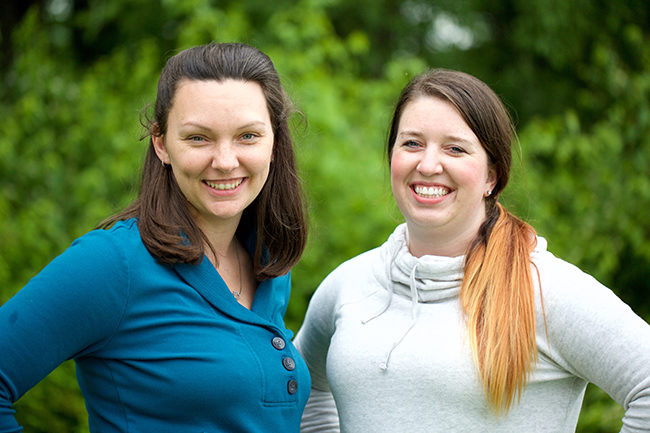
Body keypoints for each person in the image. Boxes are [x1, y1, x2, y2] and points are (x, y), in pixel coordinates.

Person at [295, 69, 650, 432]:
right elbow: (302, 391)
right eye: (412, 143)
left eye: (455, 148)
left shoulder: (544, 289)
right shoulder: (349, 283)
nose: (429, 165)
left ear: (492, 176)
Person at [0, 42, 310, 433]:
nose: (226, 161)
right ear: (161, 143)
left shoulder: (269, 264)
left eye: (248, 136)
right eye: (199, 138)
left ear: (275, 143)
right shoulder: (114, 264)